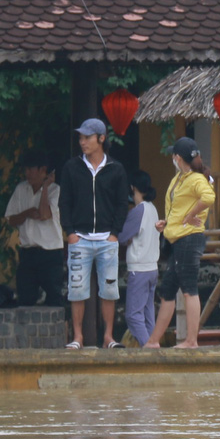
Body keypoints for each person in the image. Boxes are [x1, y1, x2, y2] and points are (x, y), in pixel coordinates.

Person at [58, 117, 130, 349]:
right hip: (79, 238)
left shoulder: (116, 169)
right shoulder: (71, 168)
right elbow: (64, 202)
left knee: (109, 290)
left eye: (87, 137)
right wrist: (70, 232)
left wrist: (115, 233)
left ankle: (108, 337)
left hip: (107, 239)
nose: (82, 142)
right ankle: (78, 336)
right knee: (77, 289)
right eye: (80, 137)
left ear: (101, 138)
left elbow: (122, 204)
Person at [146, 137, 215, 349]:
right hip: (177, 237)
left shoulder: (196, 179)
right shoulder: (180, 178)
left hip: (189, 238)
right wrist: (167, 223)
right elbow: (178, 207)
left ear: (178, 157)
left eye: (173, 156)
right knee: (168, 289)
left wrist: (192, 214)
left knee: (188, 288)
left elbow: (209, 198)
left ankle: (191, 340)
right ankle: (153, 341)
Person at [4, 154, 65, 306]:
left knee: (54, 299)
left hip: (50, 252)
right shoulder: (21, 189)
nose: (27, 173)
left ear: (43, 170)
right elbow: (11, 219)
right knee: (25, 299)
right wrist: (27, 213)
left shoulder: (55, 190)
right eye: (26, 169)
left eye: (31, 169)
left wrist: (45, 187)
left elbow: (44, 214)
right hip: (28, 252)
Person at [117, 170, 160, 347]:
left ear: (133, 188)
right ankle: (154, 346)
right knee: (148, 314)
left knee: (133, 316)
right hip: (152, 267)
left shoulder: (138, 211)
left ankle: (149, 349)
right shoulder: (153, 209)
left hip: (139, 268)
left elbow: (122, 237)